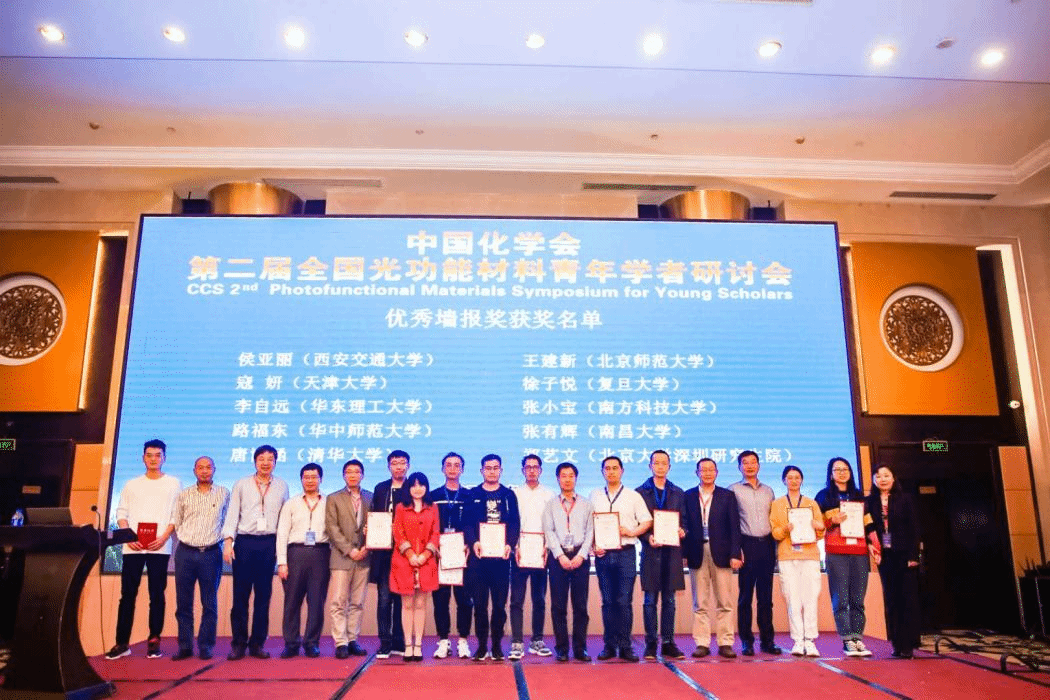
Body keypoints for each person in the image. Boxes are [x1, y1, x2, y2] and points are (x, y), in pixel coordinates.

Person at [106, 439, 181, 660]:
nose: (153, 459)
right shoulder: (131, 484)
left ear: (164, 458)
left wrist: (164, 537)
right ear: (142, 458)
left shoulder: (174, 483)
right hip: (133, 547)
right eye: (149, 455)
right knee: (127, 595)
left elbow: (176, 515)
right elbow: (121, 513)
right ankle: (122, 643)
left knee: (157, 594)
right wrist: (128, 536)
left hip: (160, 546)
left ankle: (154, 640)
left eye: (158, 455)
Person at [222, 444, 290, 660]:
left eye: (270, 459)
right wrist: (228, 542)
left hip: (269, 544)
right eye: (261, 458)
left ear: (275, 462)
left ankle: (257, 644)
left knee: (263, 597)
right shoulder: (241, 484)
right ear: (255, 461)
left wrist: (282, 551)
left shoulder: (282, 486)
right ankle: (238, 644)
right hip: (245, 543)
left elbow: (284, 520)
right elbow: (232, 514)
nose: (265, 463)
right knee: (240, 597)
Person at [590, 455, 652, 662]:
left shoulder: (633, 496)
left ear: (622, 471)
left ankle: (625, 646)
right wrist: (593, 544)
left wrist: (631, 532)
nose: (611, 472)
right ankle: (609, 646)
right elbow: (589, 524)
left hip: (626, 553)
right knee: (607, 602)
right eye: (607, 468)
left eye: (615, 468)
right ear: (602, 472)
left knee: (624, 601)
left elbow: (647, 521)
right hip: (603, 555)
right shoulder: (595, 495)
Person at [815, 457, 876, 657]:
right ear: (831, 474)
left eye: (845, 469)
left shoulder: (859, 496)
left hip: (859, 552)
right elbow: (816, 525)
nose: (841, 473)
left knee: (858, 598)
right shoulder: (823, 496)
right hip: (836, 552)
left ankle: (858, 638)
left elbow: (868, 524)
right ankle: (847, 640)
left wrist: (873, 545)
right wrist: (832, 520)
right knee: (840, 598)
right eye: (837, 469)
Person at [171, 455, 230, 661]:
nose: (204, 471)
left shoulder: (224, 493)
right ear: (194, 471)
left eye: (208, 467)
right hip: (185, 553)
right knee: (183, 602)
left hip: (211, 553)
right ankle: (185, 646)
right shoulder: (184, 494)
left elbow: (227, 522)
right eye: (200, 467)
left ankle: (206, 646)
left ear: (214, 470)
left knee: (209, 603)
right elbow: (177, 522)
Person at [682, 458, 741, 659]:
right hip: (696, 551)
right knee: (700, 602)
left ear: (716, 472)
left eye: (711, 470)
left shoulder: (727, 496)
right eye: (703, 470)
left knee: (724, 601)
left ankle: (725, 642)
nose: (707, 473)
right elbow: (684, 525)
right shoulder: (688, 496)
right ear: (696, 473)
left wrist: (735, 553)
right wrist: (683, 553)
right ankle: (702, 643)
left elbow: (735, 527)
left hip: (722, 552)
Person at [464, 453, 520, 661]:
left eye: (496, 468)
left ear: (501, 471)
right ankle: (481, 646)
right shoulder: (473, 494)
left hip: (501, 561)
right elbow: (467, 523)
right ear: (481, 471)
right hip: (478, 560)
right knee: (479, 605)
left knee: (498, 606)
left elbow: (515, 523)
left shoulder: (508, 495)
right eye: (488, 468)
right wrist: (473, 542)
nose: (492, 471)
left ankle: (496, 646)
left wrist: (509, 544)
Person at [729, 450, 782, 656]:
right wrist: (736, 549)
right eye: (745, 463)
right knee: (745, 597)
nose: (749, 466)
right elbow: (731, 523)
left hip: (767, 545)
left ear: (759, 465)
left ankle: (768, 641)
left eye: (753, 462)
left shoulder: (768, 491)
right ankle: (746, 641)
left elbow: (775, 520)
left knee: (766, 598)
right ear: (739, 467)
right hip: (746, 545)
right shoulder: (733, 490)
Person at [866, 464, 921, 659]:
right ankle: (897, 643)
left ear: (893, 478)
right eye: (878, 476)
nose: (882, 479)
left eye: (886, 475)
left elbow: (914, 528)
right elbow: (867, 527)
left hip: (904, 555)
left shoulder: (905, 499)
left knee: (907, 599)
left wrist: (913, 555)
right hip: (884, 556)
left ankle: (909, 644)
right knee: (891, 599)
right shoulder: (869, 502)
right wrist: (871, 545)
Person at [770, 465, 825, 657]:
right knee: (792, 599)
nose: (793, 481)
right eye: (790, 477)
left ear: (802, 480)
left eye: (797, 477)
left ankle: (810, 640)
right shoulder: (777, 504)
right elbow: (775, 533)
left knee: (810, 598)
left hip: (809, 556)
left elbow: (820, 532)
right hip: (787, 556)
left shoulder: (811, 503)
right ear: (784, 480)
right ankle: (797, 640)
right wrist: (785, 529)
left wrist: (819, 527)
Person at [636, 449, 686, 660]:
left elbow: (685, 522)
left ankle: (668, 642)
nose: (660, 466)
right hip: (651, 552)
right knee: (649, 601)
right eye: (656, 463)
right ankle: (650, 643)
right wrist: (647, 537)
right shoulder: (640, 492)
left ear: (669, 467)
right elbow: (637, 524)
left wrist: (683, 531)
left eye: (664, 463)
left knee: (670, 601)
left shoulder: (678, 492)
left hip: (672, 554)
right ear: (650, 466)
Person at [276, 463, 330, 658]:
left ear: (320, 479)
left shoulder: (329, 502)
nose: (310, 481)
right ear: (301, 480)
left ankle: (311, 643)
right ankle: (291, 643)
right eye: (306, 477)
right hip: (295, 554)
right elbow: (282, 533)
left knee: (316, 602)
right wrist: (282, 562)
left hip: (321, 554)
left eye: (314, 477)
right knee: (292, 601)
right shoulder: (291, 503)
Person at [541, 461, 594, 662]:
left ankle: (580, 649)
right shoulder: (551, 505)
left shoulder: (586, 504)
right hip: (558, 558)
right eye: (563, 476)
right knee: (558, 606)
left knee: (580, 606)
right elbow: (549, 531)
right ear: (557, 479)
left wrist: (581, 555)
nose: (567, 479)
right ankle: (562, 649)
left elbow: (590, 532)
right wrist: (560, 555)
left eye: (571, 475)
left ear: (576, 478)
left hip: (580, 555)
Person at [391, 472, 441, 662]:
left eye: (421, 485)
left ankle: (418, 645)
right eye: (414, 485)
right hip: (405, 561)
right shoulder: (401, 508)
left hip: (426, 562)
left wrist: (425, 555)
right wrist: (411, 554)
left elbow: (436, 533)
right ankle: (407, 645)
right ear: (408, 488)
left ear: (426, 487)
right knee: (406, 604)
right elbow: (398, 532)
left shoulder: (433, 507)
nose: (417, 489)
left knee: (420, 604)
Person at [509, 454, 555, 660]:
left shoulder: (549, 494)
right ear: (522, 470)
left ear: (541, 470)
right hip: (520, 551)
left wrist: (547, 546)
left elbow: (552, 524)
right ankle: (517, 642)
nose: (532, 470)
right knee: (516, 599)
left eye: (535, 467)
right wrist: (515, 545)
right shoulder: (515, 494)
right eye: (528, 467)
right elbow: (511, 522)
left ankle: (537, 640)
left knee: (539, 599)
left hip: (541, 552)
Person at [326, 459, 372, 659]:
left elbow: (376, 525)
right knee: (339, 602)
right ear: (344, 475)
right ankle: (341, 642)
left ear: (362, 475)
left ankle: (353, 639)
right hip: (341, 558)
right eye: (349, 472)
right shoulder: (333, 498)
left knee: (358, 602)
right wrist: (350, 550)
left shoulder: (370, 497)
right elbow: (332, 528)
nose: (353, 475)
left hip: (364, 556)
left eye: (356, 472)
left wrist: (366, 547)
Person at [431, 451, 474, 659]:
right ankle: (443, 640)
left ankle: (463, 640)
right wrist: (433, 545)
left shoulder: (469, 496)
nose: (452, 468)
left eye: (457, 465)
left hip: (462, 554)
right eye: (448, 465)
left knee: (464, 600)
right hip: (439, 554)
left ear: (462, 470)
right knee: (440, 599)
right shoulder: (433, 495)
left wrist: (469, 543)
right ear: (442, 469)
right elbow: (429, 524)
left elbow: (474, 524)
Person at [370, 450, 410, 658]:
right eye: (395, 463)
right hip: (384, 552)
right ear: (388, 466)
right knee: (384, 599)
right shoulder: (381, 488)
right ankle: (384, 642)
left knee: (402, 600)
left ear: (408, 466)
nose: (399, 467)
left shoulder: (413, 487)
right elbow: (374, 515)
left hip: (406, 552)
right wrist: (370, 530)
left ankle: (400, 641)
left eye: (402, 463)